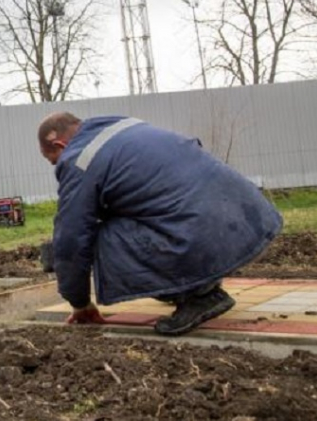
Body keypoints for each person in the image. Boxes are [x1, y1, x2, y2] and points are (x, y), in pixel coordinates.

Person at [37, 112, 283, 336]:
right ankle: (200, 282)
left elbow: (72, 239)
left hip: (204, 235)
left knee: (97, 241)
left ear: (59, 145)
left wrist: (79, 303)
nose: (58, 166)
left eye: (53, 160)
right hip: (251, 222)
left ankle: (200, 296)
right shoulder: (121, 126)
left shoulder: (79, 160)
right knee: (131, 218)